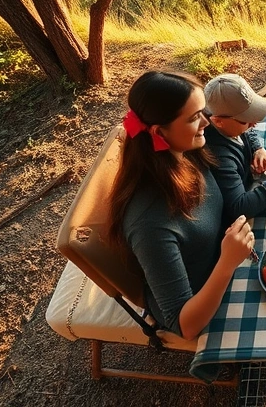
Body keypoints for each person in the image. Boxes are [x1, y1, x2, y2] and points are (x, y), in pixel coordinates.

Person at [107, 70, 255, 340]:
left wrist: (255, 147)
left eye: (204, 111)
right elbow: (184, 324)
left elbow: (235, 127)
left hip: (227, 253)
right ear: (158, 131)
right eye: (194, 117)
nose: (206, 123)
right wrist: (227, 262)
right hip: (208, 295)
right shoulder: (150, 223)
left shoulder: (184, 149)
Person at [203, 73, 266, 224]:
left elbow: (248, 131)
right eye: (246, 120)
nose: (254, 124)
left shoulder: (230, 126)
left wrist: (257, 147)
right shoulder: (219, 158)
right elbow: (239, 208)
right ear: (218, 121)